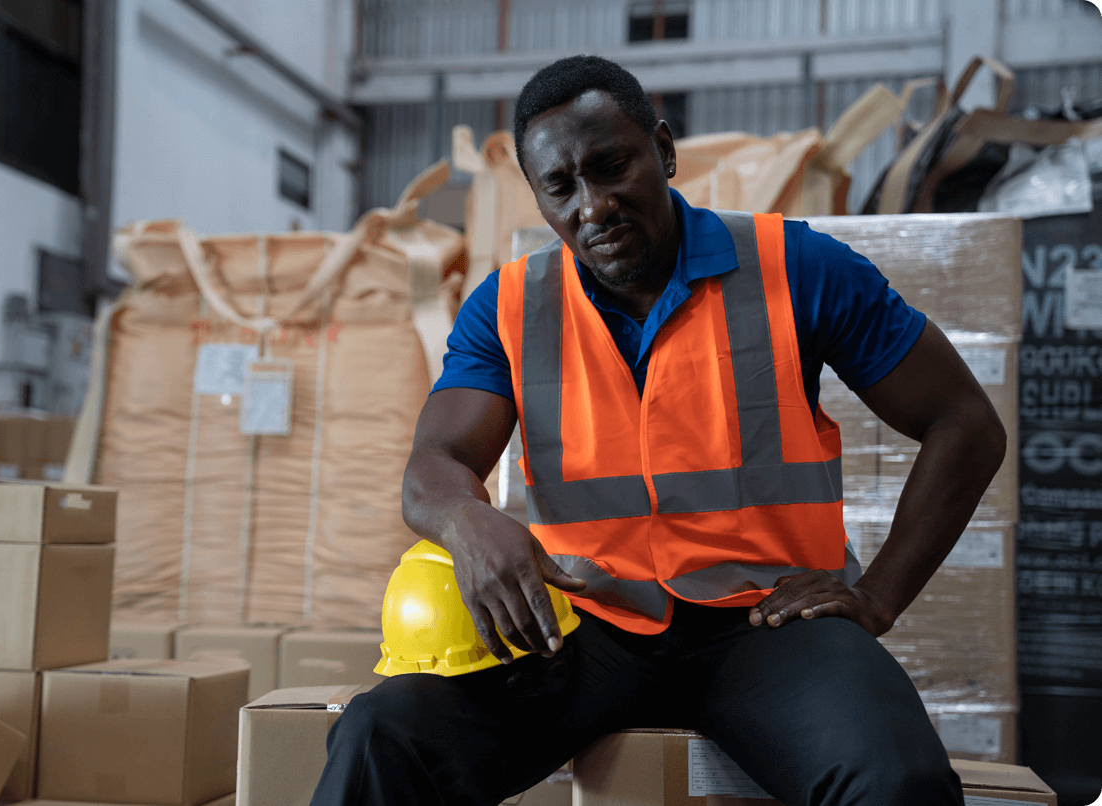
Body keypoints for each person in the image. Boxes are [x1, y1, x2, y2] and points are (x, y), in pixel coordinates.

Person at [310, 55, 1005, 806]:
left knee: (899, 780)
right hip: (585, 632)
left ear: (664, 152)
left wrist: (877, 596)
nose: (594, 205)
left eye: (612, 166)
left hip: (768, 624)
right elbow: (434, 464)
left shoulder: (794, 266)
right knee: (379, 736)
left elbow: (965, 423)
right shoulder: (508, 307)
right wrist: (464, 518)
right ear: (539, 198)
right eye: (561, 186)